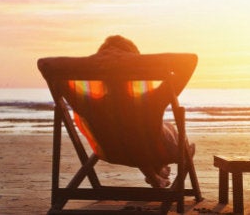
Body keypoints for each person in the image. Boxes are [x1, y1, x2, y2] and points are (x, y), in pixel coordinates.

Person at [81, 35, 192, 188]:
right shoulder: (150, 100)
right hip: (155, 150)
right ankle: (159, 168)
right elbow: (190, 61)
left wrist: (99, 63)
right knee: (163, 131)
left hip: (113, 151)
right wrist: (137, 62)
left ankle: (155, 174)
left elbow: (45, 65)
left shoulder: (88, 102)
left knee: (132, 134)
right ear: (136, 65)